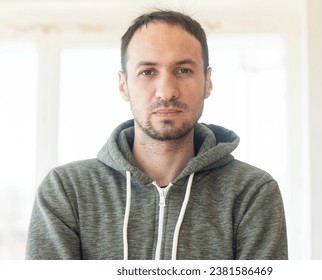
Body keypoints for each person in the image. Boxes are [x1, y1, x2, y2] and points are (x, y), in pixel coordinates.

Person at [26, 9, 288, 260]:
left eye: (183, 70)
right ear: (123, 85)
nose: (166, 91)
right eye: (147, 72)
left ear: (207, 82)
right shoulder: (66, 190)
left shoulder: (252, 192)